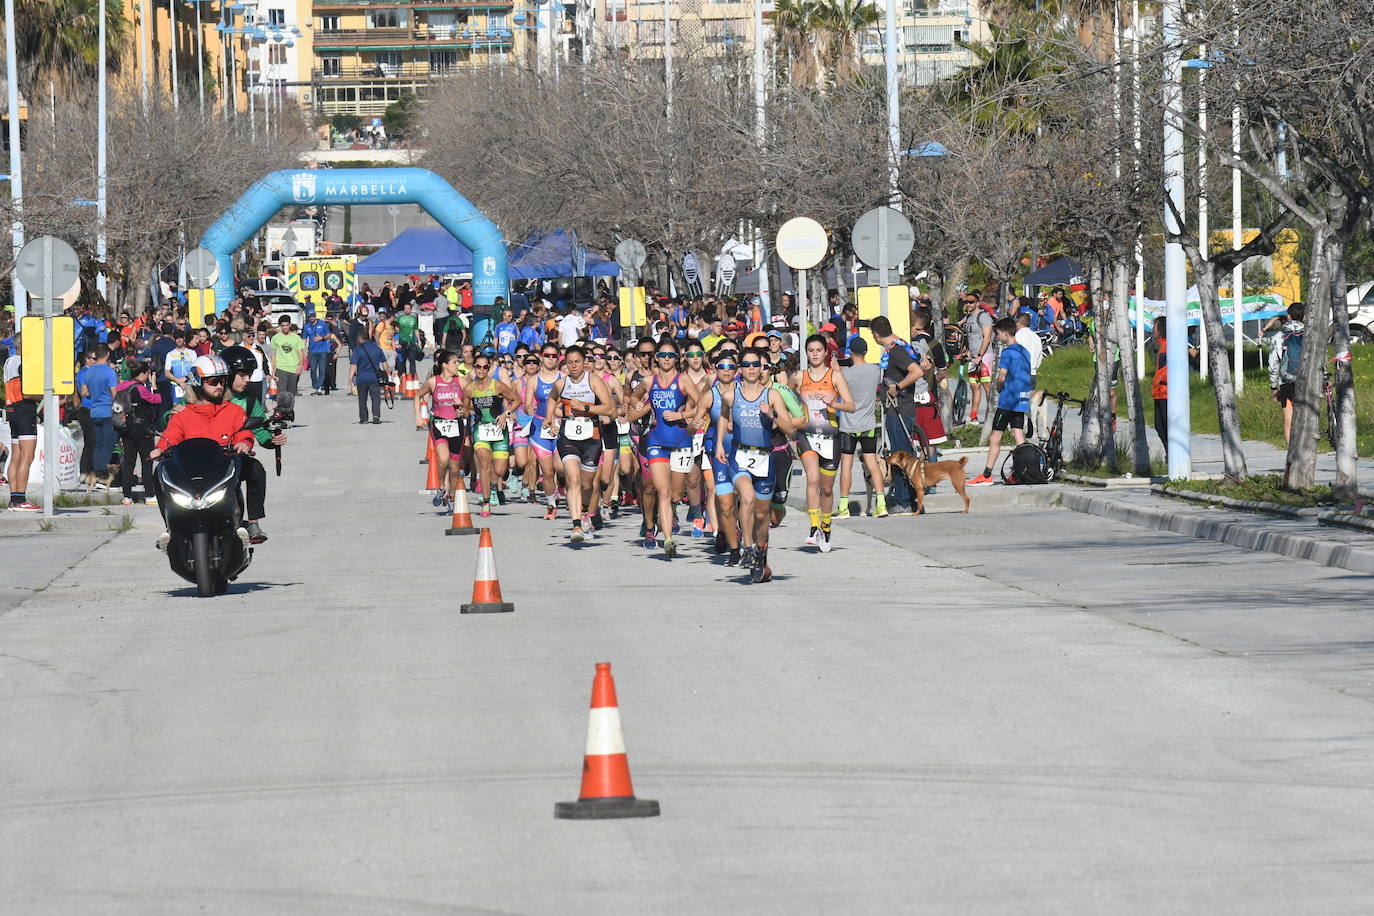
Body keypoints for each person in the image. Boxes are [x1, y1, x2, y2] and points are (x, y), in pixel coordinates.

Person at [148, 355, 256, 550]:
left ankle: (240, 523)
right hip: (191, 473)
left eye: (223, 381)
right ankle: (170, 529)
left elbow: (244, 432)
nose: (220, 386)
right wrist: (160, 449)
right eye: (213, 381)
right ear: (197, 383)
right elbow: (171, 435)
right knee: (160, 472)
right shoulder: (184, 414)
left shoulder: (234, 411)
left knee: (247, 471)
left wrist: (244, 443)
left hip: (221, 470)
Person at [716, 346, 802, 582]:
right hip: (740, 455)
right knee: (747, 498)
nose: (752, 369)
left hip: (765, 457)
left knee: (763, 515)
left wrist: (772, 416)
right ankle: (747, 548)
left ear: (764, 368)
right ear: (739, 369)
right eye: (747, 365)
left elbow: (790, 429)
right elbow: (723, 416)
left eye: (757, 365)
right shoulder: (731, 395)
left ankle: (760, 553)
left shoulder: (772, 396)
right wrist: (719, 446)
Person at [627, 336, 702, 558]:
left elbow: (700, 405)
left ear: (676, 358)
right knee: (663, 491)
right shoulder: (649, 382)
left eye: (671, 355)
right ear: (657, 358)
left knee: (676, 495)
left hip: (681, 442)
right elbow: (633, 397)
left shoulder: (683, 380)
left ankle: (666, 518)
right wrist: (637, 403)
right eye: (663, 355)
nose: (667, 359)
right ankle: (667, 539)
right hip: (656, 442)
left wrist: (680, 414)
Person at [546, 345, 616, 541]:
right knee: (573, 480)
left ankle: (585, 510)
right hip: (568, 436)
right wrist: (550, 417)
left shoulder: (593, 381)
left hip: (591, 438)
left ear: (584, 362)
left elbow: (609, 408)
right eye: (570, 362)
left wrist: (585, 407)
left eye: (577, 361)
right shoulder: (562, 384)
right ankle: (576, 525)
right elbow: (551, 398)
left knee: (587, 485)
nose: (574, 366)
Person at [793, 334, 855, 551]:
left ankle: (826, 527)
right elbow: (786, 395)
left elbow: (851, 405)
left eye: (819, 350)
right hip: (807, 434)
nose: (815, 354)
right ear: (806, 353)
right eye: (811, 350)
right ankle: (812, 527)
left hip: (830, 436)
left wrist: (834, 403)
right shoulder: (799, 377)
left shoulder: (835, 376)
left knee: (827, 489)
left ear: (825, 352)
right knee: (812, 478)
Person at [224, 346, 288, 543]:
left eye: (249, 375)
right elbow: (177, 417)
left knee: (257, 470)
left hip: (234, 459)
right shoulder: (207, 396)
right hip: (206, 459)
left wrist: (271, 439)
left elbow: (260, 431)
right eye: (242, 375)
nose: (247, 380)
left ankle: (253, 522)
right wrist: (171, 415)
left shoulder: (251, 402)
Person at [870, 315, 930, 512]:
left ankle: (904, 500)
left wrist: (898, 386)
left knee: (900, 457)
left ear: (876, 335)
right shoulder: (901, 345)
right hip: (900, 409)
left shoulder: (896, 352)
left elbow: (917, 371)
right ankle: (913, 498)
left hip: (899, 410)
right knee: (907, 457)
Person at [969, 319, 1033, 486]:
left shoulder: (1008, 352)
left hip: (1008, 400)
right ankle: (1024, 471)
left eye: (997, 334)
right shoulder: (1024, 351)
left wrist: (997, 387)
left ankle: (987, 474)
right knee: (1018, 434)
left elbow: (1002, 375)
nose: (997, 338)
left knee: (995, 437)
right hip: (1021, 399)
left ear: (1005, 333)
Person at [464, 353, 520, 517]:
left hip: (499, 430)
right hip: (481, 430)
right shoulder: (469, 389)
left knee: (500, 469)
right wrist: (461, 410)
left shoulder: (497, 385)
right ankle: (486, 502)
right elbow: (466, 410)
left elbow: (516, 400)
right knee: (484, 463)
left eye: (485, 367)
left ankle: (495, 486)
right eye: (478, 366)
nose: (481, 370)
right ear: (474, 368)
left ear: (489, 369)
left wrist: (506, 414)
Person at [837, 337, 887, 519]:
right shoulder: (875, 371)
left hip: (849, 425)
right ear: (865, 352)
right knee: (872, 464)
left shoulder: (846, 374)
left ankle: (843, 507)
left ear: (850, 352)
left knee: (846, 467)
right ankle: (881, 504)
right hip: (868, 425)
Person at [415, 349, 468, 512]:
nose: (457, 365)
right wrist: (418, 417)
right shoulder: (433, 382)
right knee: (443, 459)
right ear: (445, 365)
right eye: (454, 362)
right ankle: (440, 487)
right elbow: (417, 396)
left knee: (454, 467)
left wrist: (462, 406)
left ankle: (451, 496)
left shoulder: (462, 382)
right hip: (439, 424)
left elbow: (470, 403)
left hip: (457, 425)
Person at [115, 361, 161, 506]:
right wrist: (154, 384)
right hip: (142, 429)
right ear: (141, 374)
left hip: (126, 429)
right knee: (146, 461)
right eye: (147, 374)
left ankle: (127, 496)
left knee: (128, 463)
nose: (148, 376)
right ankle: (149, 495)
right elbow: (157, 399)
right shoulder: (140, 389)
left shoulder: (121, 387)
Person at [4, 338, 40, 510]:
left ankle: (14, 498)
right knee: (27, 457)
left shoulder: (9, 361)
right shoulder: (24, 364)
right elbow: (27, 393)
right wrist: (45, 395)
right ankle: (20, 499)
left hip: (11, 408)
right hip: (25, 410)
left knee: (16, 456)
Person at [79, 343, 121, 490]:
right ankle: (103, 476)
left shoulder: (88, 372)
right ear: (108, 355)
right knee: (109, 444)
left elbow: (84, 392)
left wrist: (97, 392)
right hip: (107, 411)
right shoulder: (109, 372)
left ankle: (96, 475)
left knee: (97, 444)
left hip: (94, 411)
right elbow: (115, 392)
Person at [1268, 301, 1306, 446]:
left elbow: (1273, 364)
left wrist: (1273, 387)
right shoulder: (1310, 334)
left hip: (1286, 382)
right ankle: (1304, 448)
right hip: (1306, 382)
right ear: (1303, 317)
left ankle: (1291, 453)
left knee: (1288, 419)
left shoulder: (1279, 336)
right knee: (1304, 417)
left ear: (1288, 317)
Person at [964, 296, 995, 422]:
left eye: (971, 302)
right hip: (973, 357)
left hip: (984, 356)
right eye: (967, 302)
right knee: (974, 386)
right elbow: (969, 337)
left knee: (987, 385)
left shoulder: (984, 317)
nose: (969, 304)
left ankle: (991, 415)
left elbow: (987, 338)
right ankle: (973, 415)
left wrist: (980, 355)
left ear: (977, 303)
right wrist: (967, 351)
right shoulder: (969, 317)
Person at [349, 332, 388, 424]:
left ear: (360, 339)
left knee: (362, 400)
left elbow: (353, 365)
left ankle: (364, 418)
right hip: (374, 378)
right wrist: (386, 374)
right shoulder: (377, 349)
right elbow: (385, 364)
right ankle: (376, 415)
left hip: (361, 379)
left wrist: (350, 378)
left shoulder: (357, 350)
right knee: (376, 398)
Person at [269, 318, 305, 397]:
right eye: (283, 325)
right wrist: (274, 368)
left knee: (291, 395)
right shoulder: (275, 338)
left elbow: (300, 353)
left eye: (286, 325)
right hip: (281, 369)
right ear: (280, 326)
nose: (285, 327)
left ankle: (289, 409)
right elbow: (273, 354)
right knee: (282, 394)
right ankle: (282, 409)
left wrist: (300, 366)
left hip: (293, 369)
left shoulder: (296, 338)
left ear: (290, 325)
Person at [304, 312, 333, 395]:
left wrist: (322, 338)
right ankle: (316, 386)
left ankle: (319, 387)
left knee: (322, 369)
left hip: (322, 350)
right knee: (312, 369)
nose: (311, 318)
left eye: (313, 316)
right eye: (310, 317)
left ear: (315, 316)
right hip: (312, 351)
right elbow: (304, 339)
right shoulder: (307, 326)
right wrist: (304, 351)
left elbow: (329, 335)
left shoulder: (322, 324)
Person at [395, 301, 421, 377]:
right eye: (405, 308)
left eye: (408, 308)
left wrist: (419, 341)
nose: (406, 310)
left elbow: (416, 330)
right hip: (402, 342)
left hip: (411, 342)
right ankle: (403, 376)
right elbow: (395, 329)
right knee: (402, 361)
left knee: (412, 360)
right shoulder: (400, 318)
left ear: (411, 309)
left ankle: (413, 376)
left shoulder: (413, 319)